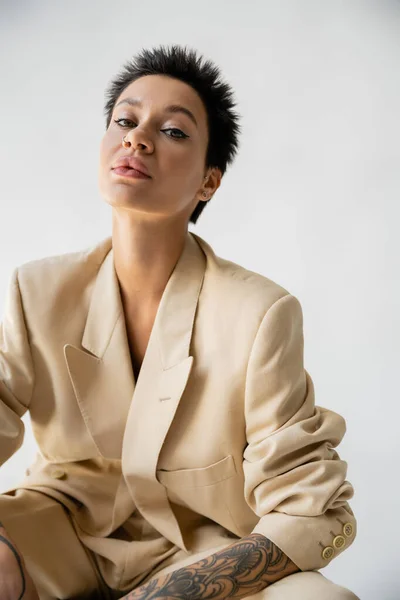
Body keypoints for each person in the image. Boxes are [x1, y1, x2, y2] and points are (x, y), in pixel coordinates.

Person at [0, 45, 359, 600]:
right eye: (125, 119)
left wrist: (174, 592)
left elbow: (313, 509)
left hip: (204, 548)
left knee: (323, 599)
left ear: (208, 183)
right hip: (60, 528)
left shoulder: (259, 314)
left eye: (172, 131)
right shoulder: (37, 290)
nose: (136, 138)